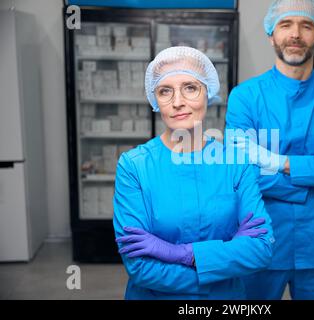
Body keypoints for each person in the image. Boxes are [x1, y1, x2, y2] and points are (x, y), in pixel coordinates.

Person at [225, 0, 314, 300]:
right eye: (285, 25)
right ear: (271, 35)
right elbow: (237, 174)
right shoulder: (246, 97)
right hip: (260, 240)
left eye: (307, 26)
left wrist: (277, 162)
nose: (295, 34)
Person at [113, 46, 274, 300]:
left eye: (190, 87)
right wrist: (225, 262)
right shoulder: (134, 166)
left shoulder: (236, 162)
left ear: (208, 92)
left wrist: (182, 254)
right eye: (165, 91)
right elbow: (141, 268)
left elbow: (261, 249)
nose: (178, 102)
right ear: (155, 99)